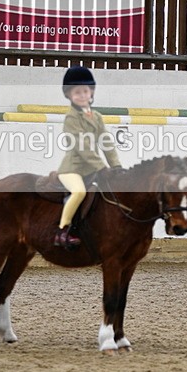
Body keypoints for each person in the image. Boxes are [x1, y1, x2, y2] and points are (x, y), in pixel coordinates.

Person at [54, 66, 122, 249]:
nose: (82, 95)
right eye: (77, 92)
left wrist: (116, 166)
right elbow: (82, 147)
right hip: (72, 169)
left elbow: (106, 142)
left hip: (92, 169)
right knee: (79, 192)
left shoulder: (97, 117)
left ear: (91, 92)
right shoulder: (71, 118)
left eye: (85, 91)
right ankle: (62, 231)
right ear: (68, 95)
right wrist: (101, 166)